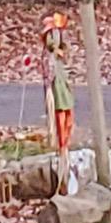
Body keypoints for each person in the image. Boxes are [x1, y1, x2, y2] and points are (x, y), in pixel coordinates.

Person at [39, 12, 75, 192]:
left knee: (67, 112)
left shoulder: (58, 59)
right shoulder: (50, 59)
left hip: (62, 79)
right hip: (57, 83)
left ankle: (65, 144)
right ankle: (61, 145)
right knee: (61, 111)